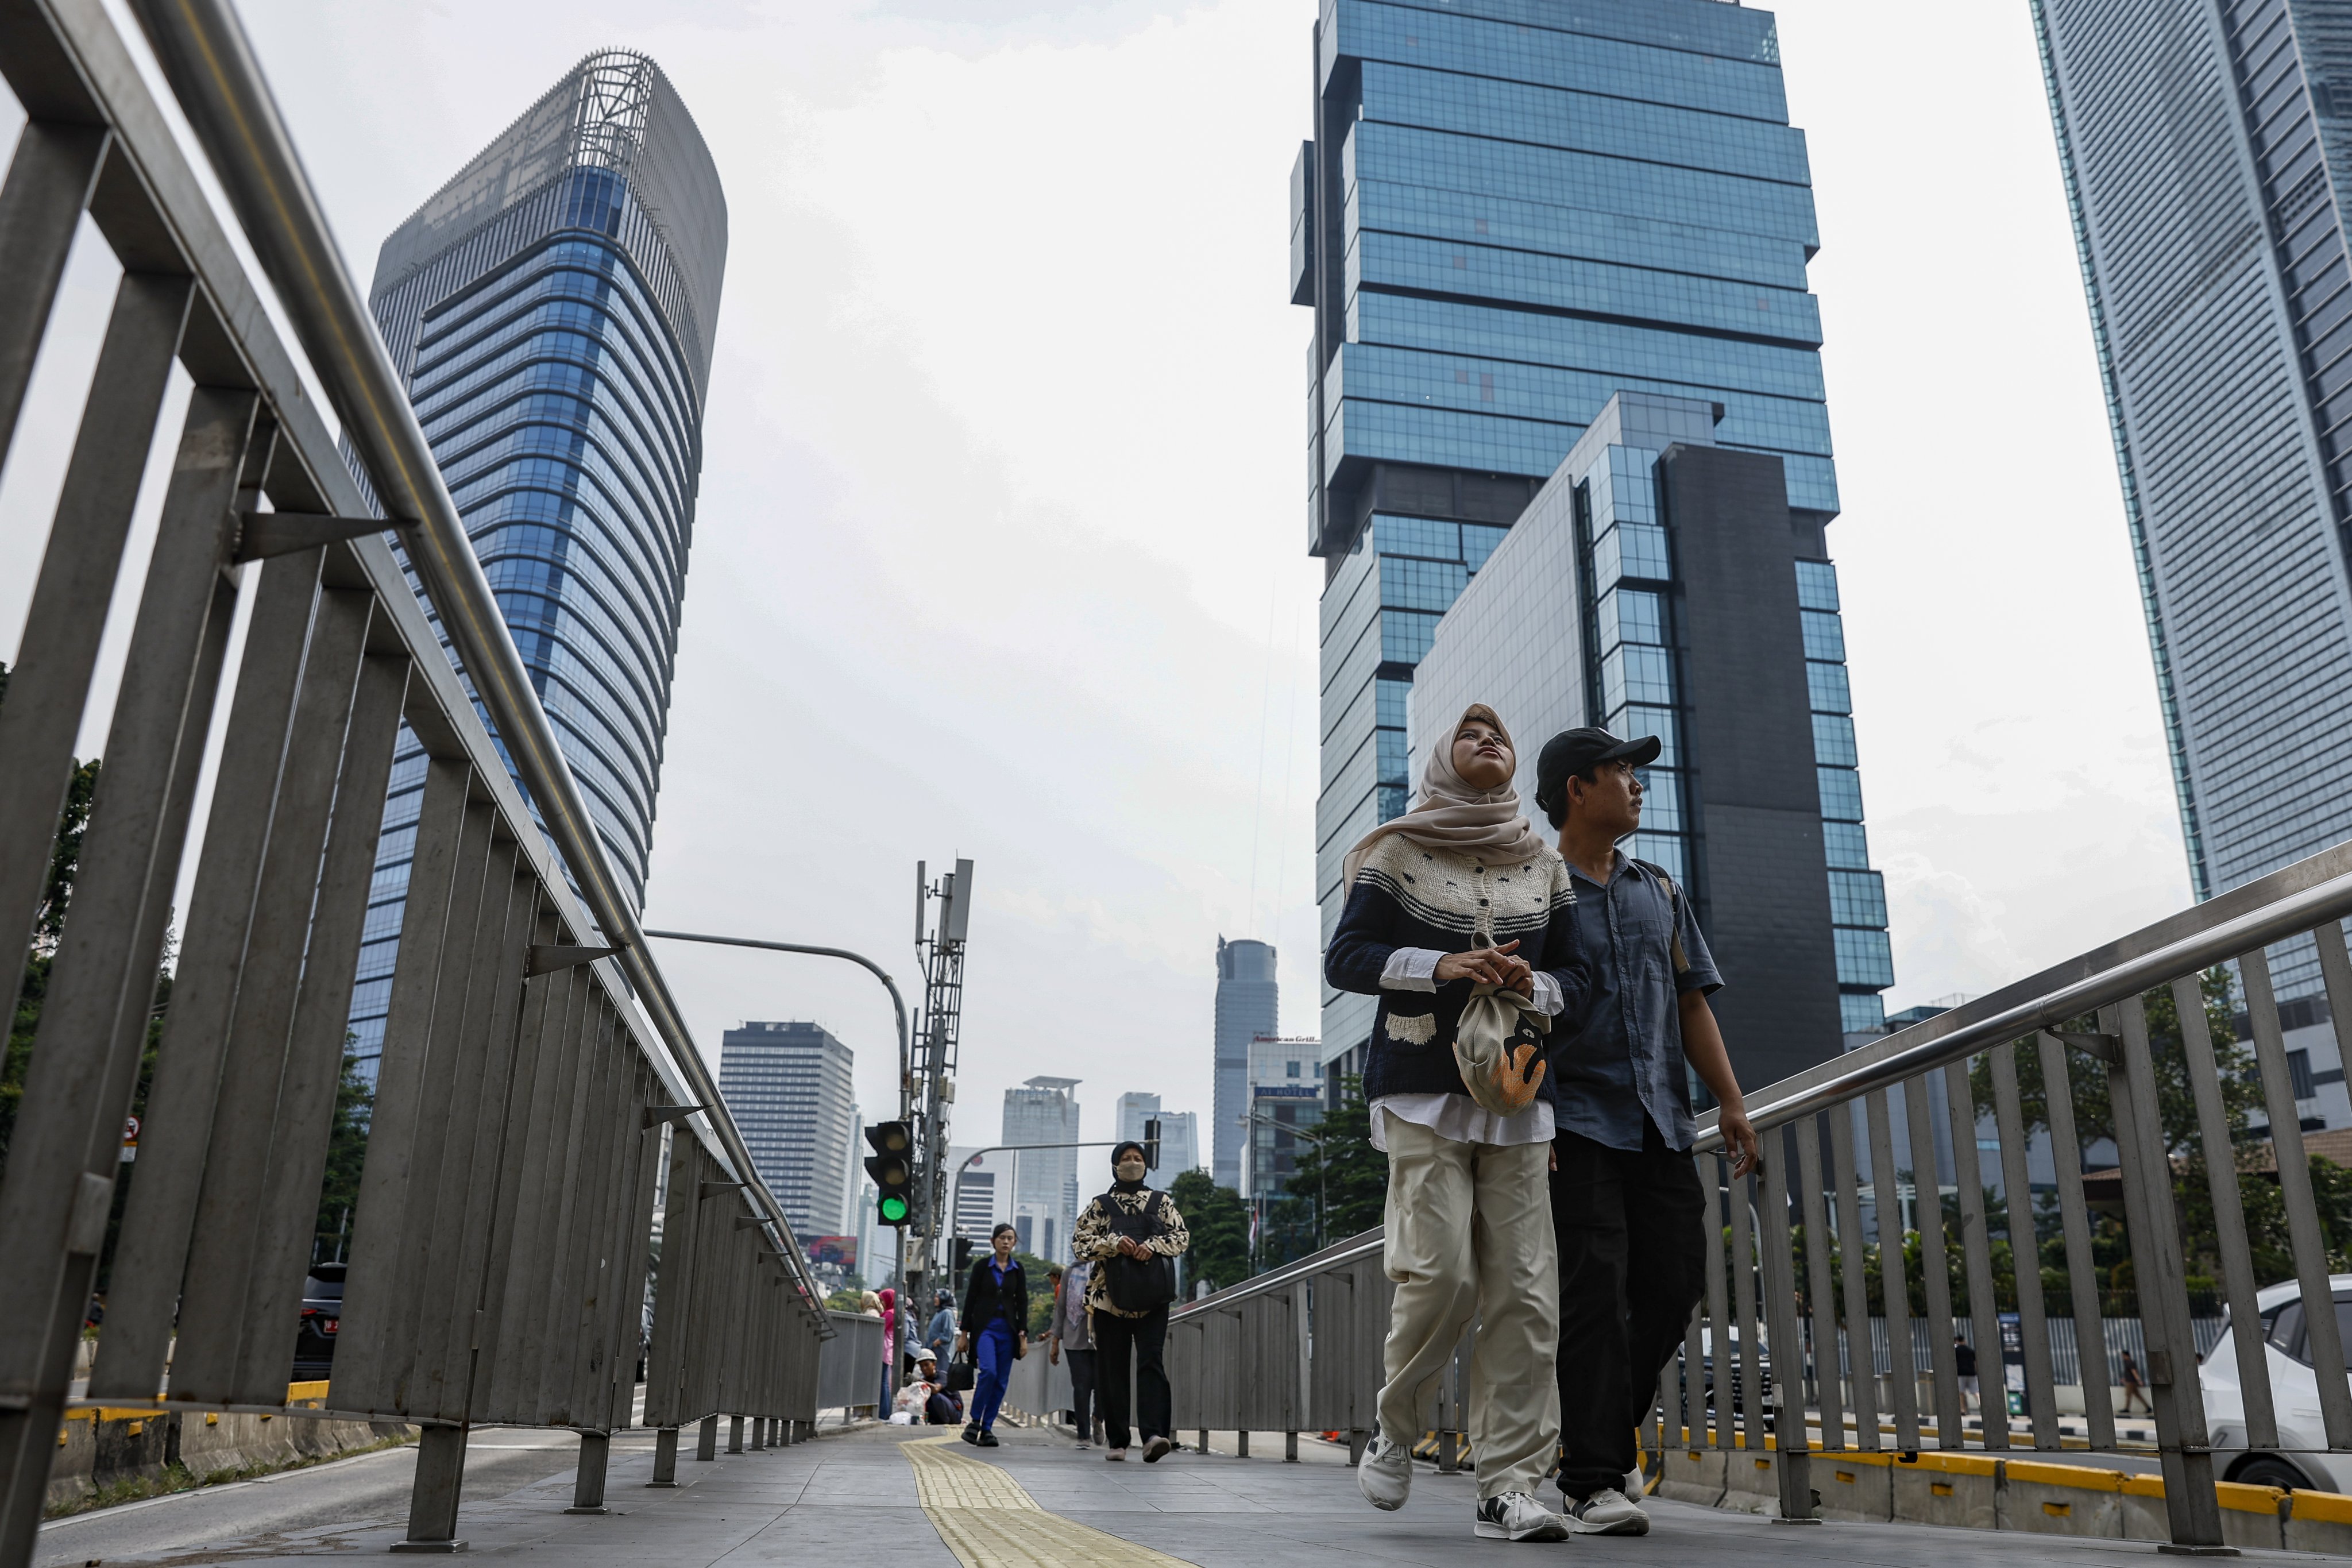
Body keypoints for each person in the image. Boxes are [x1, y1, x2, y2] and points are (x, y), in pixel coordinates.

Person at [1324, 704, 1592, 1544]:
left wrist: (1529, 983)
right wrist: (1441, 964)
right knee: (1440, 1275)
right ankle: (1395, 1428)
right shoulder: (1396, 852)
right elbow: (1345, 958)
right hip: (1419, 1091)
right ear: (1443, 758)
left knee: (1524, 1293)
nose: (1489, 741)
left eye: (1500, 737)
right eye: (1471, 734)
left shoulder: (1543, 867)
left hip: (1517, 1098)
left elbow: (1580, 980)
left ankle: (1507, 1484)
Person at [1535, 727, 1758, 1537]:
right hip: (1575, 1125)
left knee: (1670, 1288)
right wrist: (1534, 1120)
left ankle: (1587, 1440)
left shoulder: (1657, 888)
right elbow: (1518, 1015)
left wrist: (1729, 1101)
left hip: (1662, 1122)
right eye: (1622, 772)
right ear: (1574, 787)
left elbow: (1692, 1000)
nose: (1636, 786)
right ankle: (1591, 1476)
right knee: (1591, 1296)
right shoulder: (1534, 889)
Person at [1073, 1141, 1190, 1462]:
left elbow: (1181, 1237)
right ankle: (1118, 1440)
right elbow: (1080, 1245)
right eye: (1126, 1159)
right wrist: (1113, 1243)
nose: (1132, 1163)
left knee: (1151, 1362)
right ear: (1115, 1166)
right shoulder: (1100, 1205)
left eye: (1138, 1158)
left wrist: (1152, 1245)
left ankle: (1154, 1435)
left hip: (1154, 1297)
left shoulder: (1161, 1201)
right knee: (1113, 1369)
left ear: (1146, 1165)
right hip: (1109, 1298)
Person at [956, 1223, 1028, 1447]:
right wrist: (964, 1334)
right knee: (988, 1372)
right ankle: (975, 1421)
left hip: (1008, 1331)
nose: (1006, 1242)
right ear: (993, 1241)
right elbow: (971, 1300)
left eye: (1010, 1239)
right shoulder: (981, 1267)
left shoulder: (1018, 1270)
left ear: (1014, 1243)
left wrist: (1023, 1336)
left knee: (1001, 1381)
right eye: (1002, 1238)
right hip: (985, 1329)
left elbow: (1022, 1302)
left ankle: (987, 1429)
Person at [1051, 1253, 1099, 1449]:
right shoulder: (1070, 1272)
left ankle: (1098, 1417)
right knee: (1081, 1386)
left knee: (1103, 1386)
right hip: (1074, 1336)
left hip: (1102, 1336)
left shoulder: (1106, 1267)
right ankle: (1083, 1436)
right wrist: (1055, 1342)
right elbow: (1061, 1308)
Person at [925, 1289, 957, 1369]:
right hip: (935, 1351)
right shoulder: (940, 1312)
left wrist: (937, 1342)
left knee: (942, 1374)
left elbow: (949, 1333)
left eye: (938, 1297)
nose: (935, 1299)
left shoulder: (947, 1313)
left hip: (942, 1351)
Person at [1955, 1333, 1980, 1412]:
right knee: (1975, 1392)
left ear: (1957, 1341)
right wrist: (1976, 1371)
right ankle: (1981, 1405)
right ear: (1965, 1340)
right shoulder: (1970, 1350)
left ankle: (1963, 1410)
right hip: (1972, 1373)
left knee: (1961, 1392)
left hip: (1961, 1373)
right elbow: (1975, 1362)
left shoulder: (1956, 1350)